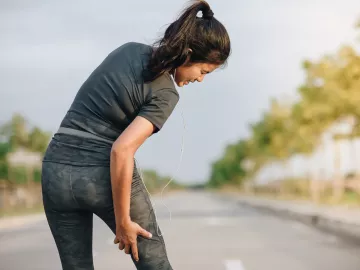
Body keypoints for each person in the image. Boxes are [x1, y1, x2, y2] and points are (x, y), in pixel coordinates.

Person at [41, 0, 231, 269]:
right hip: (99, 172)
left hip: (55, 171)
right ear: (187, 53)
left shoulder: (128, 50)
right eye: (203, 71)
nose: (200, 79)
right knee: (155, 264)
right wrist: (123, 221)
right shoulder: (166, 94)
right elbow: (121, 150)